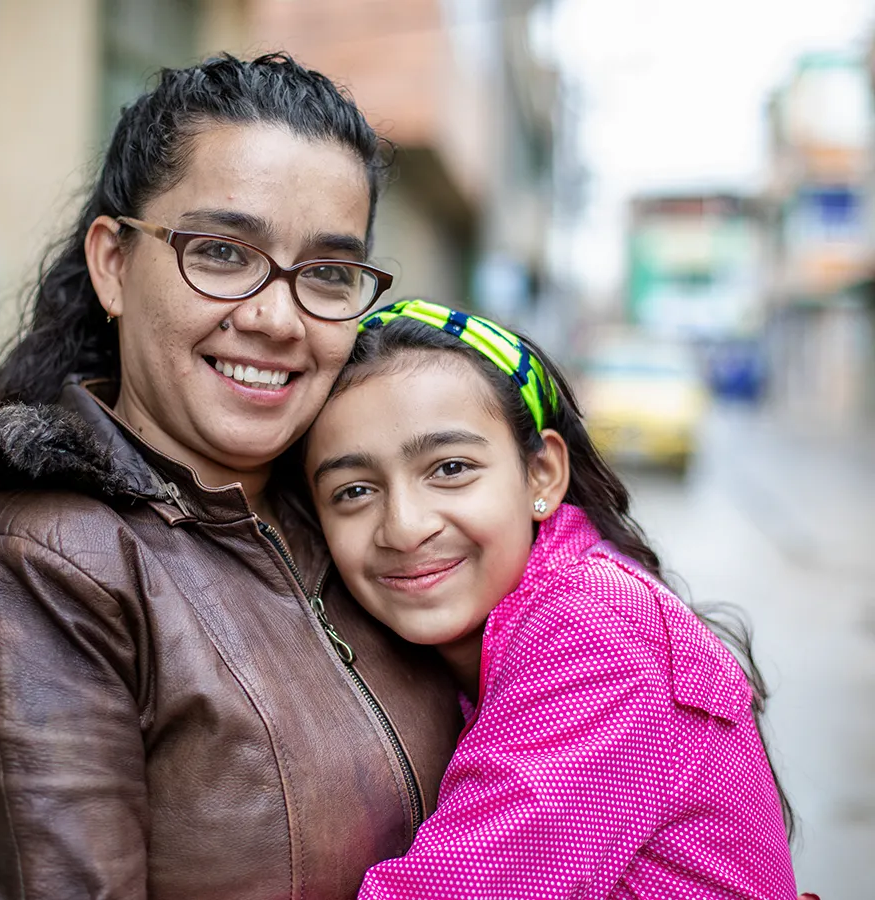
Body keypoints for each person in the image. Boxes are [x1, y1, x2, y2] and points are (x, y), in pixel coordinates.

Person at [0, 55, 463, 900]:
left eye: (330, 274)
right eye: (224, 253)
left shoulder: (359, 523)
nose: (277, 319)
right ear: (114, 263)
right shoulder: (36, 574)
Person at [301, 299, 800, 898]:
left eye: (451, 468)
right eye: (354, 490)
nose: (405, 527)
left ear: (541, 475)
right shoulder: (523, 623)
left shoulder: (594, 629)